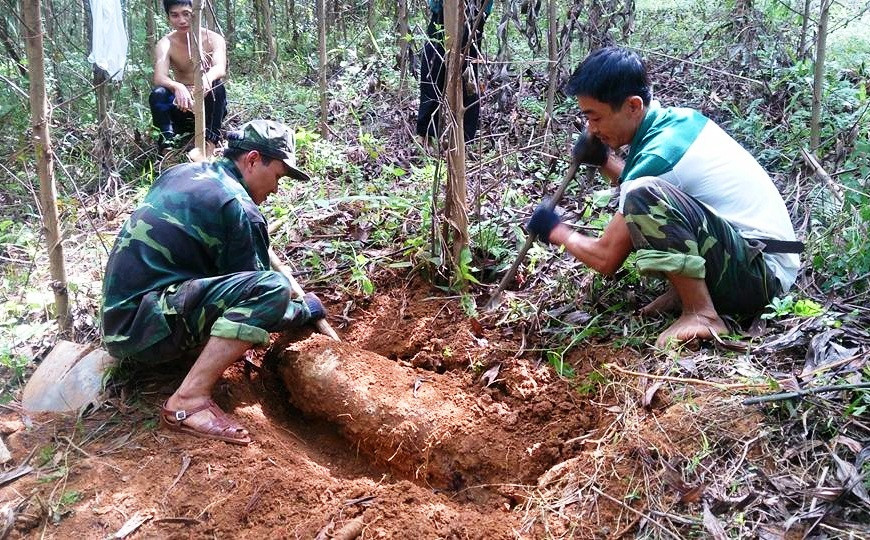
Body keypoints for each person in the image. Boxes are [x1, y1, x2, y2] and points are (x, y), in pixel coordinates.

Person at [527, 47, 801, 348]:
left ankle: (702, 313)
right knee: (641, 194)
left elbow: (606, 257)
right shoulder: (675, 123)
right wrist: (604, 159)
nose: (591, 128)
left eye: (596, 118)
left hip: (762, 278)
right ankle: (689, 290)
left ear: (633, 106)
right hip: (757, 261)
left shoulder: (660, 156)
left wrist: (556, 230)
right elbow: (667, 188)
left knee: (641, 195)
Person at [102, 119, 324, 445]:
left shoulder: (181, 172)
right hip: (142, 329)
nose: (276, 188)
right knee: (272, 288)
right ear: (251, 160)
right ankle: (188, 401)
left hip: (120, 318)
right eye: (277, 176)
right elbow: (264, 305)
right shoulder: (239, 208)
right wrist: (304, 310)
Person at [149, 0, 227, 156]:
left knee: (218, 87)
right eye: (175, 15)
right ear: (168, 17)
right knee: (158, 94)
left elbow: (220, 68)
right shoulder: (166, 43)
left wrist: (207, 78)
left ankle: (209, 145)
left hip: (207, 102)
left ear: (196, 13)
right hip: (181, 105)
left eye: (186, 14)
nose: (182, 20)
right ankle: (167, 148)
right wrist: (178, 87)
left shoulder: (214, 39)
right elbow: (159, 76)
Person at [416, 0, 492, 146]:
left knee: (466, 68)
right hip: (444, 9)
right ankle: (427, 135)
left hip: (473, 10)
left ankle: (463, 140)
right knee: (433, 65)